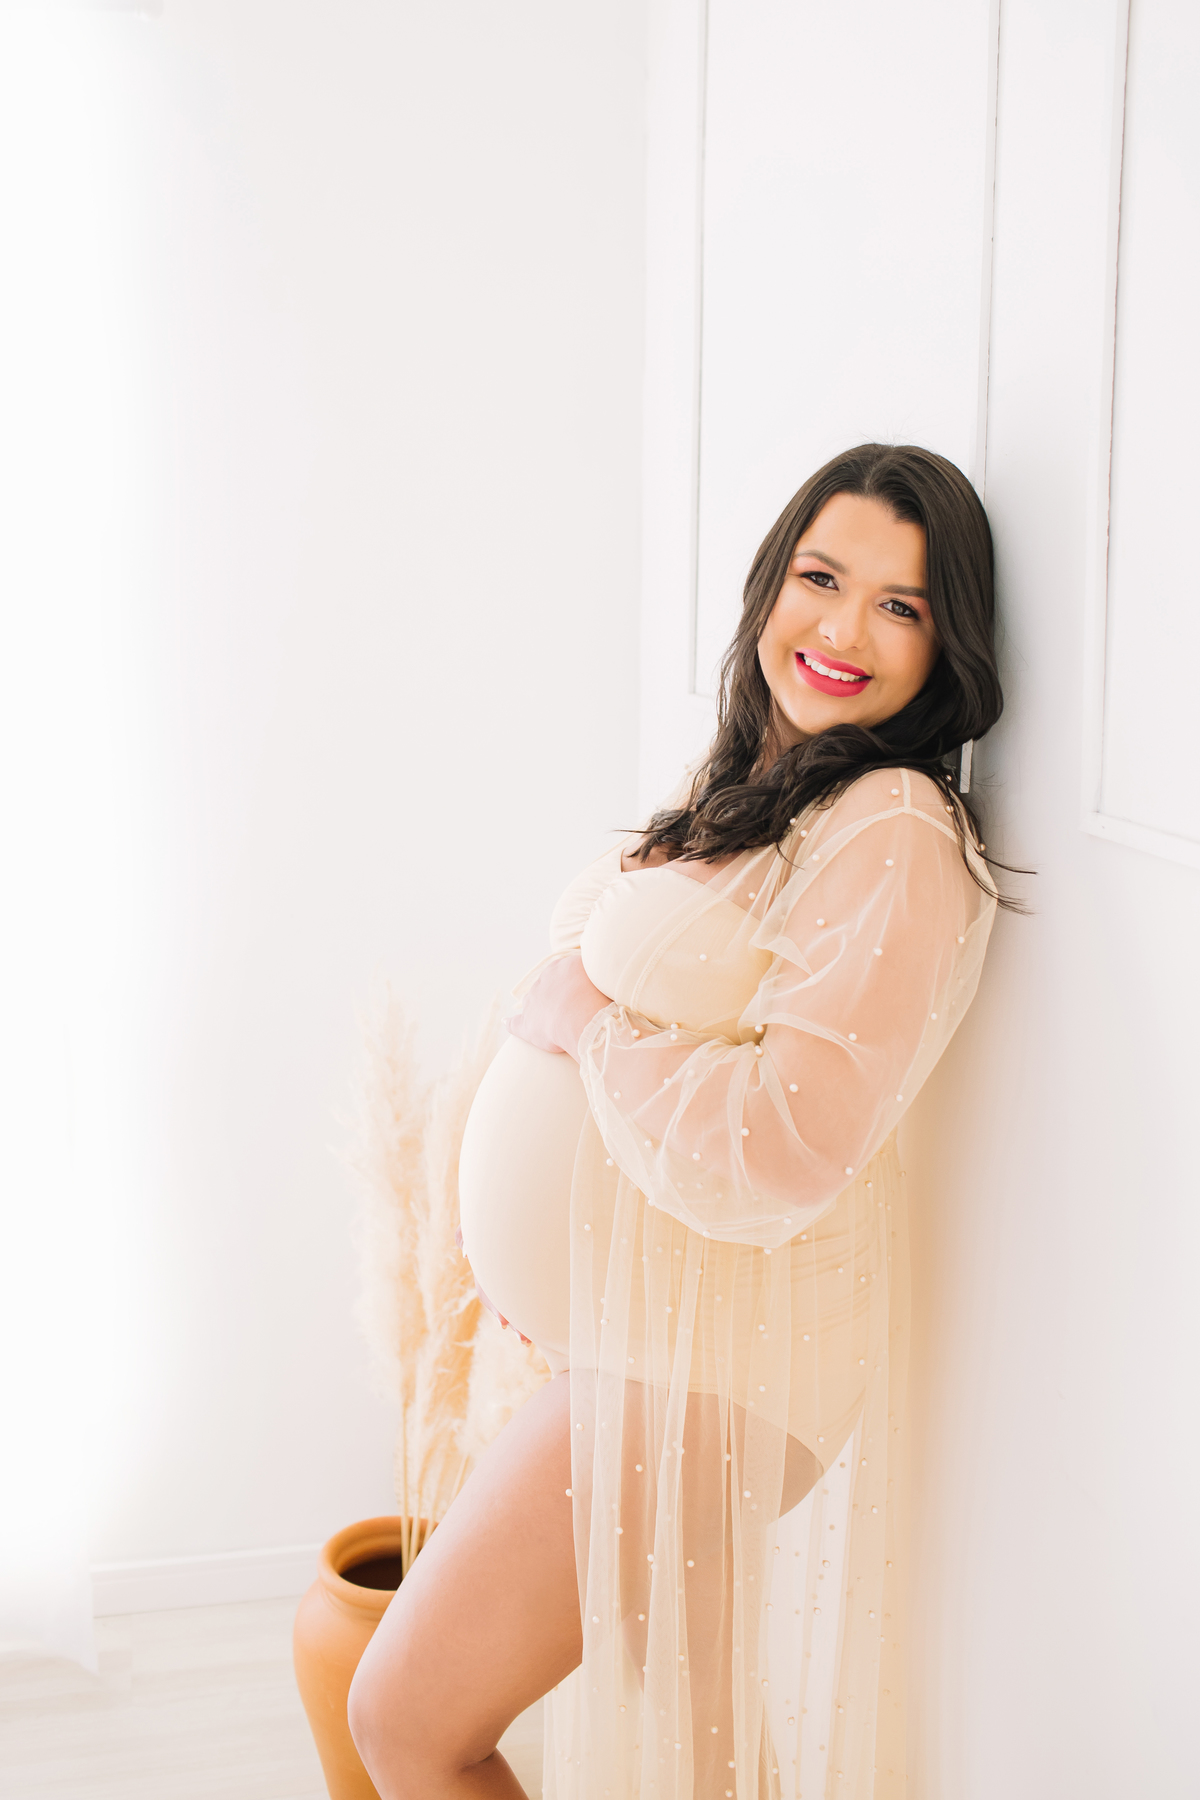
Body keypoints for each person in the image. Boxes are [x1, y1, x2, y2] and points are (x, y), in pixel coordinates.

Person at [349, 443, 1006, 1800]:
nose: (842, 629)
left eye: (899, 605)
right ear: (771, 584)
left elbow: (790, 1143)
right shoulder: (772, 788)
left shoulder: (892, 824)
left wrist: (590, 1026)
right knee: (705, 1758)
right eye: (821, 578)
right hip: (654, 1344)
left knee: (406, 1719)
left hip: (713, 1368)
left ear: (947, 646)